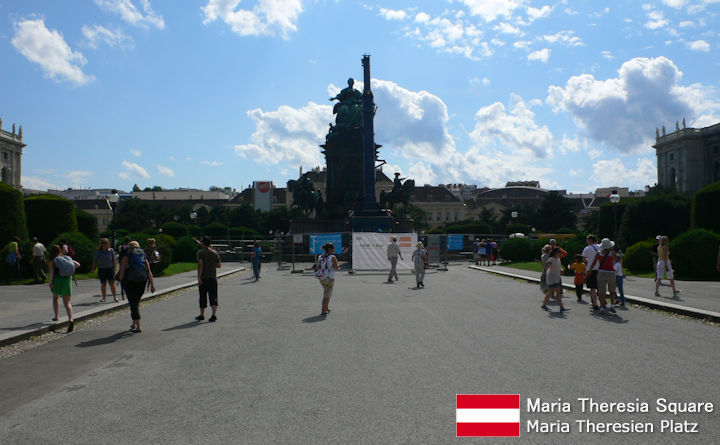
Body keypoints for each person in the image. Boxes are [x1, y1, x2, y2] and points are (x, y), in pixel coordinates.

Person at [117, 241, 155, 333]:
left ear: (129, 248)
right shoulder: (143, 258)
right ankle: (134, 323)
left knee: (133, 303)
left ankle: (138, 326)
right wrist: (153, 285)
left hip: (130, 282)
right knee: (135, 303)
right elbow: (149, 272)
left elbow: (121, 275)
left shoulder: (126, 258)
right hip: (142, 282)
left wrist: (118, 279)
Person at [48, 244, 80, 332]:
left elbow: (51, 272)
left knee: (55, 298)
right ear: (60, 251)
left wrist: (50, 282)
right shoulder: (66, 258)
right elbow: (78, 265)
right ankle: (71, 319)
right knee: (67, 302)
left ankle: (57, 316)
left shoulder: (52, 261)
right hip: (67, 280)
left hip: (57, 280)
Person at [588, 238, 618, 314]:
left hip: (601, 272)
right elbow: (616, 259)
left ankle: (602, 307)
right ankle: (612, 305)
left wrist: (590, 270)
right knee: (612, 290)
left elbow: (594, 263)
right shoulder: (612, 253)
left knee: (602, 292)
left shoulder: (599, 253)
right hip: (611, 272)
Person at [196, 236, 221, 322]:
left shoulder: (200, 253)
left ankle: (202, 314)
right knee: (213, 296)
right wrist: (211, 264)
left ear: (203, 243)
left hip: (204, 277)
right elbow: (219, 265)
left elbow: (200, 265)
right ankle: (213, 315)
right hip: (213, 277)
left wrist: (199, 278)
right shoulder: (214, 253)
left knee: (202, 296)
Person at [90, 238, 118, 302]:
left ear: (108, 244)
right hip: (102, 269)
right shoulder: (99, 252)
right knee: (103, 284)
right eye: (103, 243)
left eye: (106, 243)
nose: (104, 244)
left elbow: (114, 260)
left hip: (110, 269)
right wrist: (92, 269)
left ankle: (115, 297)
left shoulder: (111, 251)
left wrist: (115, 269)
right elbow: (95, 261)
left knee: (111, 283)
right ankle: (104, 297)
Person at [315, 242, 339, 315]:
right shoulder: (332, 257)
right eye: (333, 248)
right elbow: (336, 267)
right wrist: (337, 263)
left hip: (321, 277)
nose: (334, 250)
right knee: (327, 294)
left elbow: (318, 266)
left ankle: (326, 307)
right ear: (329, 249)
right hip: (329, 277)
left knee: (326, 292)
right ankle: (323, 310)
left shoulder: (320, 256)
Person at [541, 247, 568, 313]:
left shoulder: (558, 259)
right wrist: (547, 272)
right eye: (559, 253)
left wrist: (561, 270)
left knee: (550, 292)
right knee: (558, 292)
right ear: (555, 253)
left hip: (556, 277)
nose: (560, 254)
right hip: (552, 278)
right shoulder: (551, 259)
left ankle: (544, 305)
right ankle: (561, 307)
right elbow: (547, 265)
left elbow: (558, 266)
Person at [582, 235, 601, 310]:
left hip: (591, 269)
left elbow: (583, 260)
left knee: (592, 288)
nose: (587, 242)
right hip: (601, 269)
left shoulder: (587, 248)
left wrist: (588, 260)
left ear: (590, 240)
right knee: (600, 287)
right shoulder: (600, 247)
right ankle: (603, 302)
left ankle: (595, 304)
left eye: (587, 240)